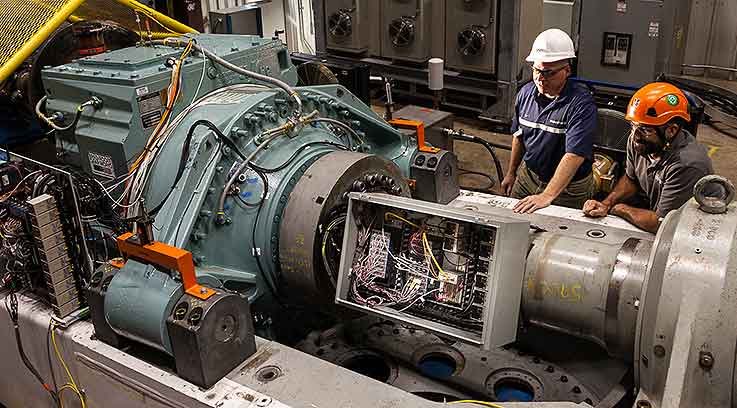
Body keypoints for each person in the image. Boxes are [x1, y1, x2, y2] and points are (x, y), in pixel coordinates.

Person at [583, 82, 714, 233]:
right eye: (633, 126)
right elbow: (631, 179)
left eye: (645, 129)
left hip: (697, 232)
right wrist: (606, 203)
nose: (635, 136)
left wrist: (619, 208)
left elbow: (661, 224)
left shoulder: (687, 164)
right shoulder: (641, 143)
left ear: (671, 130)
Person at [502, 28, 597, 214]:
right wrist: (511, 173)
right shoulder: (525, 94)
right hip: (529, 177)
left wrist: (547, 195)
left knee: (562, 237)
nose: (540, 78)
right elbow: (519, 136)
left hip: (569, 188)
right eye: (537, 70)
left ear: (567, 70)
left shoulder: (580, 104)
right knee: (511, 222)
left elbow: (574, 155)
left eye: (549, 73)